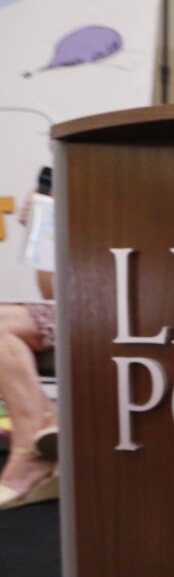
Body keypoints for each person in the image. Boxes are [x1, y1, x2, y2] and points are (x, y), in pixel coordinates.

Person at [0, 171, 58, 510]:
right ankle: (45, 420)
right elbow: (52, 293)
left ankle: (30, 449)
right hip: (75, 307)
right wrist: (47, 231)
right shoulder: (59, 190)